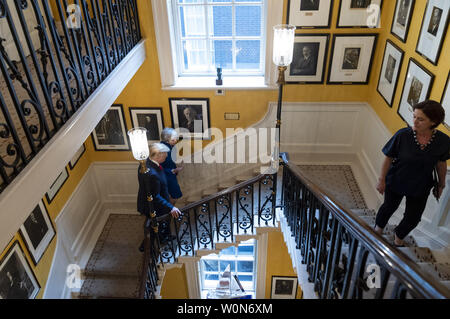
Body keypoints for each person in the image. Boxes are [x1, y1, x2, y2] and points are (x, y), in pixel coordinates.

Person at [374, 100, 449, 246]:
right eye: (414, 116)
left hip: (421, 185)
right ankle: (377, 229)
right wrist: (381, 179)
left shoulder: (444, 141)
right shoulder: (402, 135)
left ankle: (399, 235)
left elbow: (441, 163)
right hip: (397, 179)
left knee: (413, 218)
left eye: (420, 119)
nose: (414, 121)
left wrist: (441, 184)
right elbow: (388, 157)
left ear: (433, 122)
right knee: (388, 207)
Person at [137, 143, 181, 250]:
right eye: (165, 154)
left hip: (154, 201)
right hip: (153, 206)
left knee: (161, 223)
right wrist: (171, 207)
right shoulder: (152, 174)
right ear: (158, 155)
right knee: (154, 226)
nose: (166, 156)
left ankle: (164, 237)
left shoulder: (146, 163)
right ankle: (146, 247)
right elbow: (155, 196)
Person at [160, 128, 183, 205]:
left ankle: (170, 213)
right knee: (174, 195)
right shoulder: (163, 149)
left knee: (173, 195)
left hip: (169, 176)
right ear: (167, 138)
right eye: (174, 138)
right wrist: (173, 171)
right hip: (166, 177)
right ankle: (169, 213)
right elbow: (158, 167)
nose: (176, 140)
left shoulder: (169, 147)